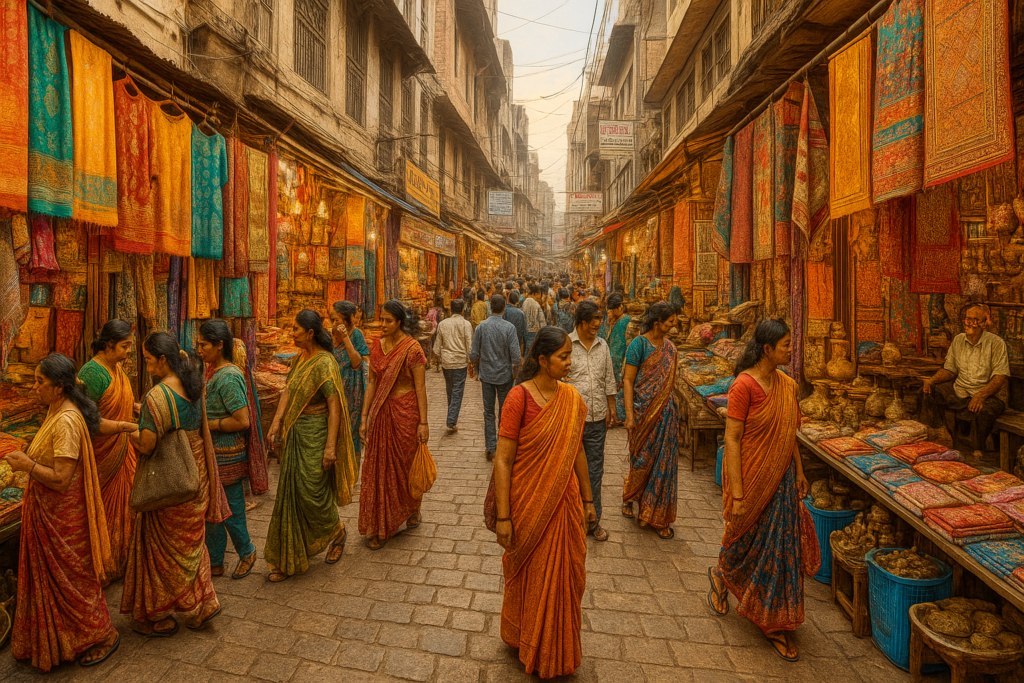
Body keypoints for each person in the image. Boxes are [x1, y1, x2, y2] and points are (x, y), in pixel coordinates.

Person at [708, 318, 817, 663]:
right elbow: (733, 439)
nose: (791, 349)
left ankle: (773, 619)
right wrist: (738, 494)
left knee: (780, 547)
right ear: (767, 349)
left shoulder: (788, 385)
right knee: (744, 540)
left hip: (782, 480)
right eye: (786, 344)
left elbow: (789, 433)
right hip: (752, 477)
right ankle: (723, 573)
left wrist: (799, 470)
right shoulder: (743, 386)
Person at [493, 326, 596, 678]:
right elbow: (503, 460)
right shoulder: (518, 398)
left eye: (569, 356)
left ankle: (558, 644)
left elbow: (577, 449)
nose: (569, 363)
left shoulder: (572, 399)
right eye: (563, 357)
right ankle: (528, 637)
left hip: (563, 503)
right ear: (542, 359)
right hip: (527, 501)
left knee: (565, 574)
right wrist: (504, 518)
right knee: (531, 574)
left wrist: (588, 498)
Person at [6, 354, 119, 669]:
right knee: (63, 582)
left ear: (59, 387)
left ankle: (104, 635)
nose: (35, 388)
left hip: (63, 520)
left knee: (73, 582)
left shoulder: (67, 420)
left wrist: (27, 465)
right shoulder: (56, 410)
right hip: (50, 514)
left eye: (40, 382)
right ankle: (63, 639)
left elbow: (61, 478)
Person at [122, 332, 223, 635]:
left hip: (172, 479)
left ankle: (159, 611)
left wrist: (129, 430)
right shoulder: (192, 387)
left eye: (149, 360)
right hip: (197, 474)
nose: (147, 364)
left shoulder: (157, 396)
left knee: (165, 550)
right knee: (192, 543)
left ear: (163, 360)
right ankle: (204, 601)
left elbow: (148, 444)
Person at [264, 311, 356, 581]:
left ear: (310, 332)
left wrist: (330, 447)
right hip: (296, 434)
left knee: (312, 493)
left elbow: (334, 405)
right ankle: (288, 557)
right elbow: (288, 391)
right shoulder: (300, 359)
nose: (291, 333)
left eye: (295, 329)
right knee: (290, 494)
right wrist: (276, 422)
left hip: (316, 433)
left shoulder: (324, 362)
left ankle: (336, 532)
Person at [359, 300, 430, 550]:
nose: (383, 324)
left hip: (406, 412)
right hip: (381, 413)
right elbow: (371, 383)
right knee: (379, 467)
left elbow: (420, 387)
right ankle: (381, 523)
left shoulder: (412, 349)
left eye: (388, 320)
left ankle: (412, 508)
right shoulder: (377, 346)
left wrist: (423, 422)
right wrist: (364, 417)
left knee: (404, 464)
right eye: (381, 319)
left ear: (399, 322)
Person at [77, 320, 138, 582]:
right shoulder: (93, 373)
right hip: (103, 454)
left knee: (127, 508)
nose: (128, 352)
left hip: (123, 449)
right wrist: (126, 426)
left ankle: (122, 563)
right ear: (109, 344)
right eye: (125, 346)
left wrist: (137, 406)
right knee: (107, 510)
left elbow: (121, 402)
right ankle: (105, 566)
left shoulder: (116, 367)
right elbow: (88, 422)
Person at [196, 320, 257, 580]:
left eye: (204, 345)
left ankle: (247, 552)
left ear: (220, 345)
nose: (199, 349)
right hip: (213, 454)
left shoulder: (228, 376)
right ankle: (217, 561)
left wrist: (209, 424)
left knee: (231, 509)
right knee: (213, 509)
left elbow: (242, 420)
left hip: (228, 454)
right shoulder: (211, 371)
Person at [621, 302, 680, 539]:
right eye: (669, 322)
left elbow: (669, 384)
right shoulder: (638, 345)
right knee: (642, 460)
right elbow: (628, 381)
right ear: (657, 323)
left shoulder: (671, 349)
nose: (673, 326)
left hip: (666, 416)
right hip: (643, 413)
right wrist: (629, 415)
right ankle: (630, 496)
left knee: (664, 465)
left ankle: (656, 514)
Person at [923, 303, 1010, 454]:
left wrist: (981, 395)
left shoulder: (996, 343)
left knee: (985, 410)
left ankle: (978, 449)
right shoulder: (958, 340)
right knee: (928, 391)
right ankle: (938, 434)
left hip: (988, 394)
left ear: (984, 324)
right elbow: (949, 370)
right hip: (961, 391)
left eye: (974, 320)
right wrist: (932, 380)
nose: (969, 323)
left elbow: (999, 377)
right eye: (967, 319)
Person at [566, 301, 617, 542]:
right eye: (593, 320)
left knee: (595, 470)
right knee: (570, 471)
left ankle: (593, 520)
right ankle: (570, 518)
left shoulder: (602, 345)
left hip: (596, 418)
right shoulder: (566, 344)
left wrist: (611, 405)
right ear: (581, 322)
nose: (598, 324)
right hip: (571, 419)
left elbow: (608, 376)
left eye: (600, 320)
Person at [471, 294, 522, 460]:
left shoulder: (481, 327)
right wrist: (515, 372)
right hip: (505, 376)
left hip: (486, 375)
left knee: (488, 412)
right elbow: (515, 356)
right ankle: (502, 443)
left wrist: (475, 367)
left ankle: (490, 446)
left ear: (490, 307)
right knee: (504, 410)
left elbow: (474, 353)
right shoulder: (509, 328)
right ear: (504, 308)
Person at [330, 301, 371, 461]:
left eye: (338, 320)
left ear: (349, 319)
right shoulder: (330, 334)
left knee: (351, 431)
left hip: (352, 393)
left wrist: (346, 338)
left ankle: (351, 472)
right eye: (333, 320)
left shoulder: (356, 335)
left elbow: (357, 362)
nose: (334, 324)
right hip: (334, 391)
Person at [433, 298, 475, 434]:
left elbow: (437, 346)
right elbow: (469, 345)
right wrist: (471, 361)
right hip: (459, 362)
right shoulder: (466, 324)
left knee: (450, 389)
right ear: (462, 310)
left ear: (451, 310)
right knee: (457, 390)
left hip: (446, 361)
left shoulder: (443, 324)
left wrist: (437, 356)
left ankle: (452, 417)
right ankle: (451, 419)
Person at [603, 293, 630, 424]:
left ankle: (619, 416)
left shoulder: (624, 322)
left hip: (620, 361)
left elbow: (623, 346)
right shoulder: (616, 322)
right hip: (615, 361)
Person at [522, 283, 546, 353]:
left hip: (526, 331)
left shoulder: (525, 302)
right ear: (537, 293)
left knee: (527, 350)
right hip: (534, 331)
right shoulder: (536, 304)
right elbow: (542, 321)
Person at [503, 291, 527, 357]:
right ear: (517, 300)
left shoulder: (504, 311)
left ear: (508, 299)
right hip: (517, 344)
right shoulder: (520, 313)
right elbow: (522, 333)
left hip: (505, 345)